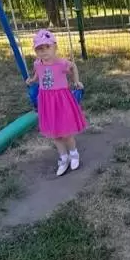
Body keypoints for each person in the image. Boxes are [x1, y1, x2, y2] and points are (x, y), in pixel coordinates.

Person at [26, 29, 87, 176]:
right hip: (46, 101)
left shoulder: (61, 63)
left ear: (55, 47)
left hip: (61, 100)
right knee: (55, 134)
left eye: (47, 47)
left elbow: (73, 67)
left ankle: (74, 154)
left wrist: (76, 81)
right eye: (39, 49)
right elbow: (37, 75)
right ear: (35, 51)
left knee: (65, 132)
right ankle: (63, 157)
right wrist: (32, 80)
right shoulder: (38, 64)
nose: (44, 51)